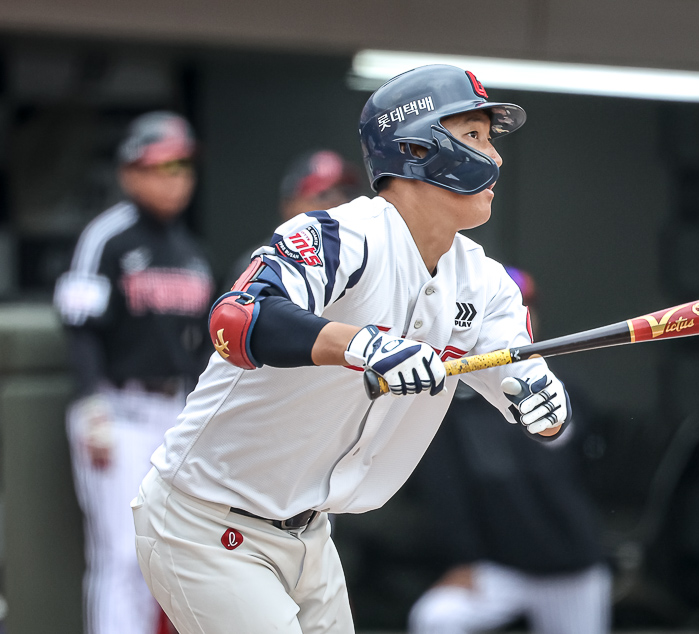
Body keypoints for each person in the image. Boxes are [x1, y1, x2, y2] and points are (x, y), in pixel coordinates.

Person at [131, 64, 573, 634]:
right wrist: (363, 345)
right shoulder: (340, 235)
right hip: (205, 520)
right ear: (416, 148)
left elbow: (524, 384)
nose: (496, 158)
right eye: (474, 136)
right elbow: (237, 320)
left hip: (309, 532)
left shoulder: (487, 283)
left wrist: (540, 398)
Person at [53, 111, 215, 634]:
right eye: (161, 165)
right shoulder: (108, 237)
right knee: (121, 554)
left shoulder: (191, 251)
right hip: (117, 410)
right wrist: (89, 403)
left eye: (183, 165)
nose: (176, 178)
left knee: (165, 554)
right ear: (130, 172)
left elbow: (200, 350)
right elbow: (79, 324)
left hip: (174, 414)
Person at [407, 266, 611, 634]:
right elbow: (444, 486)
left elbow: (594, 465)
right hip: (499, 566)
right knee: (437, 617)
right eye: (502, 310)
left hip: (570, 565)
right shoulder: (453, 390)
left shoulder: (562, 385)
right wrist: (464, 558)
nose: (516, 319)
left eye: (525, 308)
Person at [227, 149, 362, 284]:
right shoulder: (261, 265)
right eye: (324, 195)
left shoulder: (361, 259)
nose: (338, 202)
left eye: (347, 193)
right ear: (289, 206)